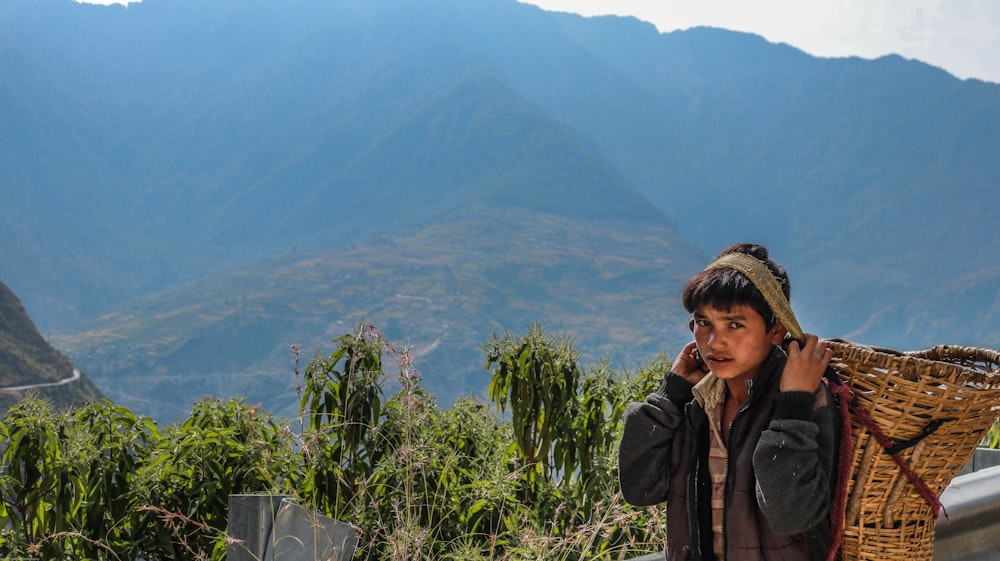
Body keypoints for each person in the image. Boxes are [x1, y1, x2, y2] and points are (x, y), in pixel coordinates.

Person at [618, 243, 841, 561]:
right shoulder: (696, 401)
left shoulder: (808, 401)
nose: (713, 342)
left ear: (776, 330)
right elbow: (640, 490)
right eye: (703, 322)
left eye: (734, 325)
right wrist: (669, 396)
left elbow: (791, 517)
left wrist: (793, 406)